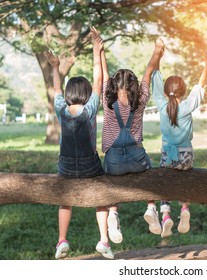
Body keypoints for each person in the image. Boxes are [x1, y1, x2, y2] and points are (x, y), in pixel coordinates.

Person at [46, 27, 114, 260]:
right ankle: (104, 240)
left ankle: (62, 240)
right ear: (86, 93)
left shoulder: (61, 109)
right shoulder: (90, 108)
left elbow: (56, 88)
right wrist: (97, 50)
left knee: (65, 201)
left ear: (68, 93)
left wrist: (55, 67)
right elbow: (99, 80)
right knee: (103, 197)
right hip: (90, 167)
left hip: (65, 167)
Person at [144, 45, 207, 238]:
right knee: (185, 179)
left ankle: (166, 215)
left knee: (164, 182)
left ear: (166, 93)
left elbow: (156, 78)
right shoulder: (187, 106)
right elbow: (200, 86)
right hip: (186, 156)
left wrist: (158, 54)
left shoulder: (161, 105)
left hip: (168, 155)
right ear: (183, 91)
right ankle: (184, 208)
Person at [100, 37, 165, 244]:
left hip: (114, 162)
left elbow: (103, 72)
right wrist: (157, 50)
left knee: (113, 183)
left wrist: (99, 50)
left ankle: (112, 214)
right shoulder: (141, 100)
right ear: (134, 86)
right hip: (137, 159)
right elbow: (148, 70)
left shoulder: (107, 101)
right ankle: (151, 208)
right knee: (150, 172)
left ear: (113, 85)